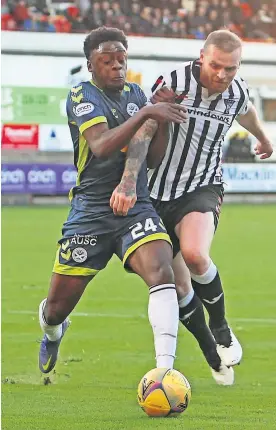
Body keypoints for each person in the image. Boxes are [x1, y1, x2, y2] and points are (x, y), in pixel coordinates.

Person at [111, 29, 273, 385]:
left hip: (201, 186)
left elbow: (245, 113)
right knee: (178, 286)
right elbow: (144, 130)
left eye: (231, 68)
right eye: (216, 66)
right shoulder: (174, 83)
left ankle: (222, 328)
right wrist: (128, 181)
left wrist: (262, 137)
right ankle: (213, 355)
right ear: (202, 57)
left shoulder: (237, 90)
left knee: (196, 254)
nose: (222, 75)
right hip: (155, 194)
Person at [38, 26, 189, 374]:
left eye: (122, 59)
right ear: (92, 66)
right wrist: (148, 113)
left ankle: (164, 372)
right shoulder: (81, 95)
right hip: (91, 211)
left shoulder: (136, 95)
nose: (117, 66)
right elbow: (102, 146)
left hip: (136, 205)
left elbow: (152, 160)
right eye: (107, 61)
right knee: (57, 309)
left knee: (161, 272)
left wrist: (161, 116)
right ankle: (52, 331)